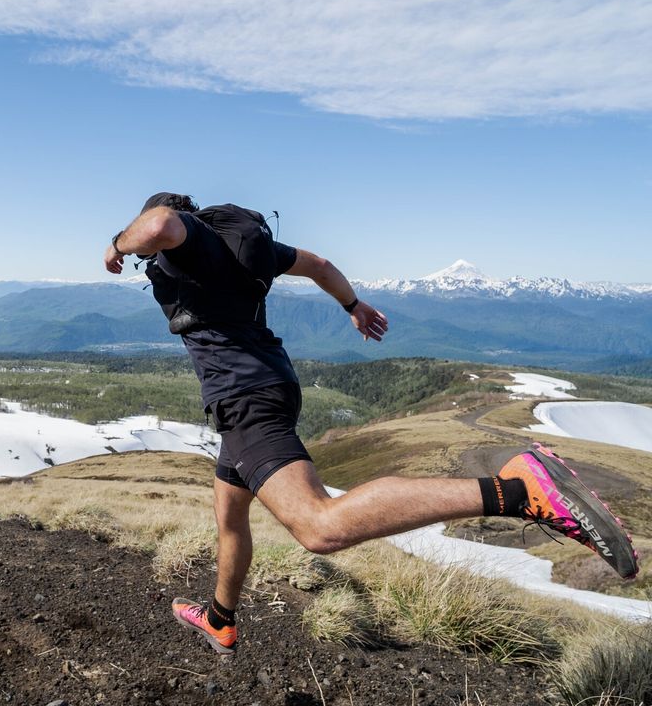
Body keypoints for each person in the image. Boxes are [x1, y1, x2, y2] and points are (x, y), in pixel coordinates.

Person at [104, 193, 639, 656]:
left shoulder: (184, 240)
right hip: (268, 384)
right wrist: (354, 305)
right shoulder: (243, 244)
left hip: (245, 399)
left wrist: (115, 245)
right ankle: (220, 618)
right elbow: (317, 264)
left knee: (318, 526)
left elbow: (156, 226)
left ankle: (519, 490)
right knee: (230, 513)